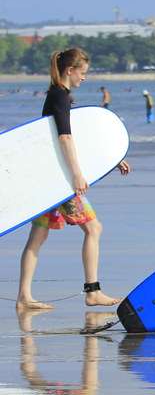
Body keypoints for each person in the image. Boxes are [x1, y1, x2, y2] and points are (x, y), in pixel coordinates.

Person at [16, 48, 131, 311]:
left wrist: (111, 159)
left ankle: (24, 296)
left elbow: (76, 138)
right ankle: (93, 291)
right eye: (83, 72)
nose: (84, 77)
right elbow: (65, 138)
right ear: (70, 70)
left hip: (48, 179)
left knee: (38, 235)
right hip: (60, 182)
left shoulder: (57, 95)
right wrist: (77, 174)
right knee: (94, 228)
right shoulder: (60, 96)